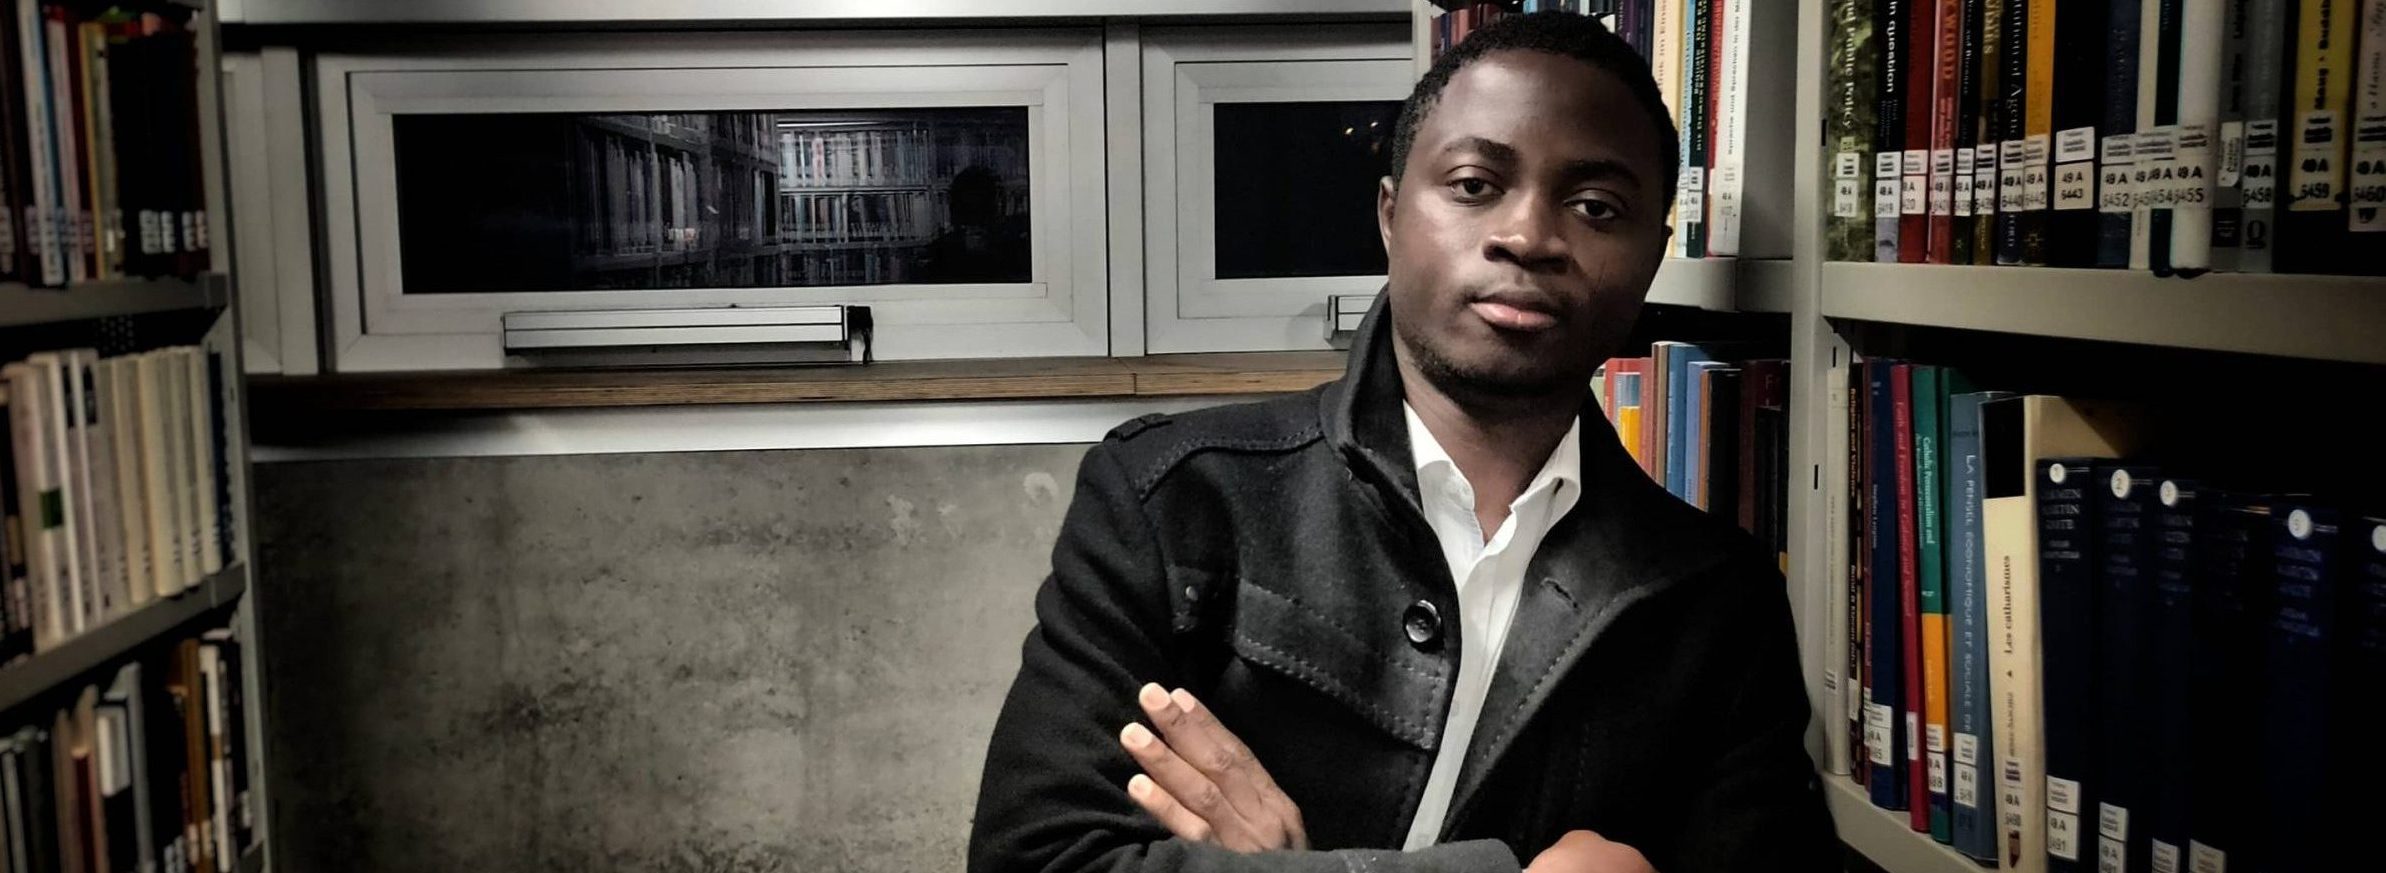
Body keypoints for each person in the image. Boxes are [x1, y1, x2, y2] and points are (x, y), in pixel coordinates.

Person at [967, 12, 1835, 873]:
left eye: (1596, 206)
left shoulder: (1717, 601)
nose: (1527, 237)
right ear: (1390, 216)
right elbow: (1034, 858)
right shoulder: (1172, 499)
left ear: (1653, 254)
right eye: (1474, 184)